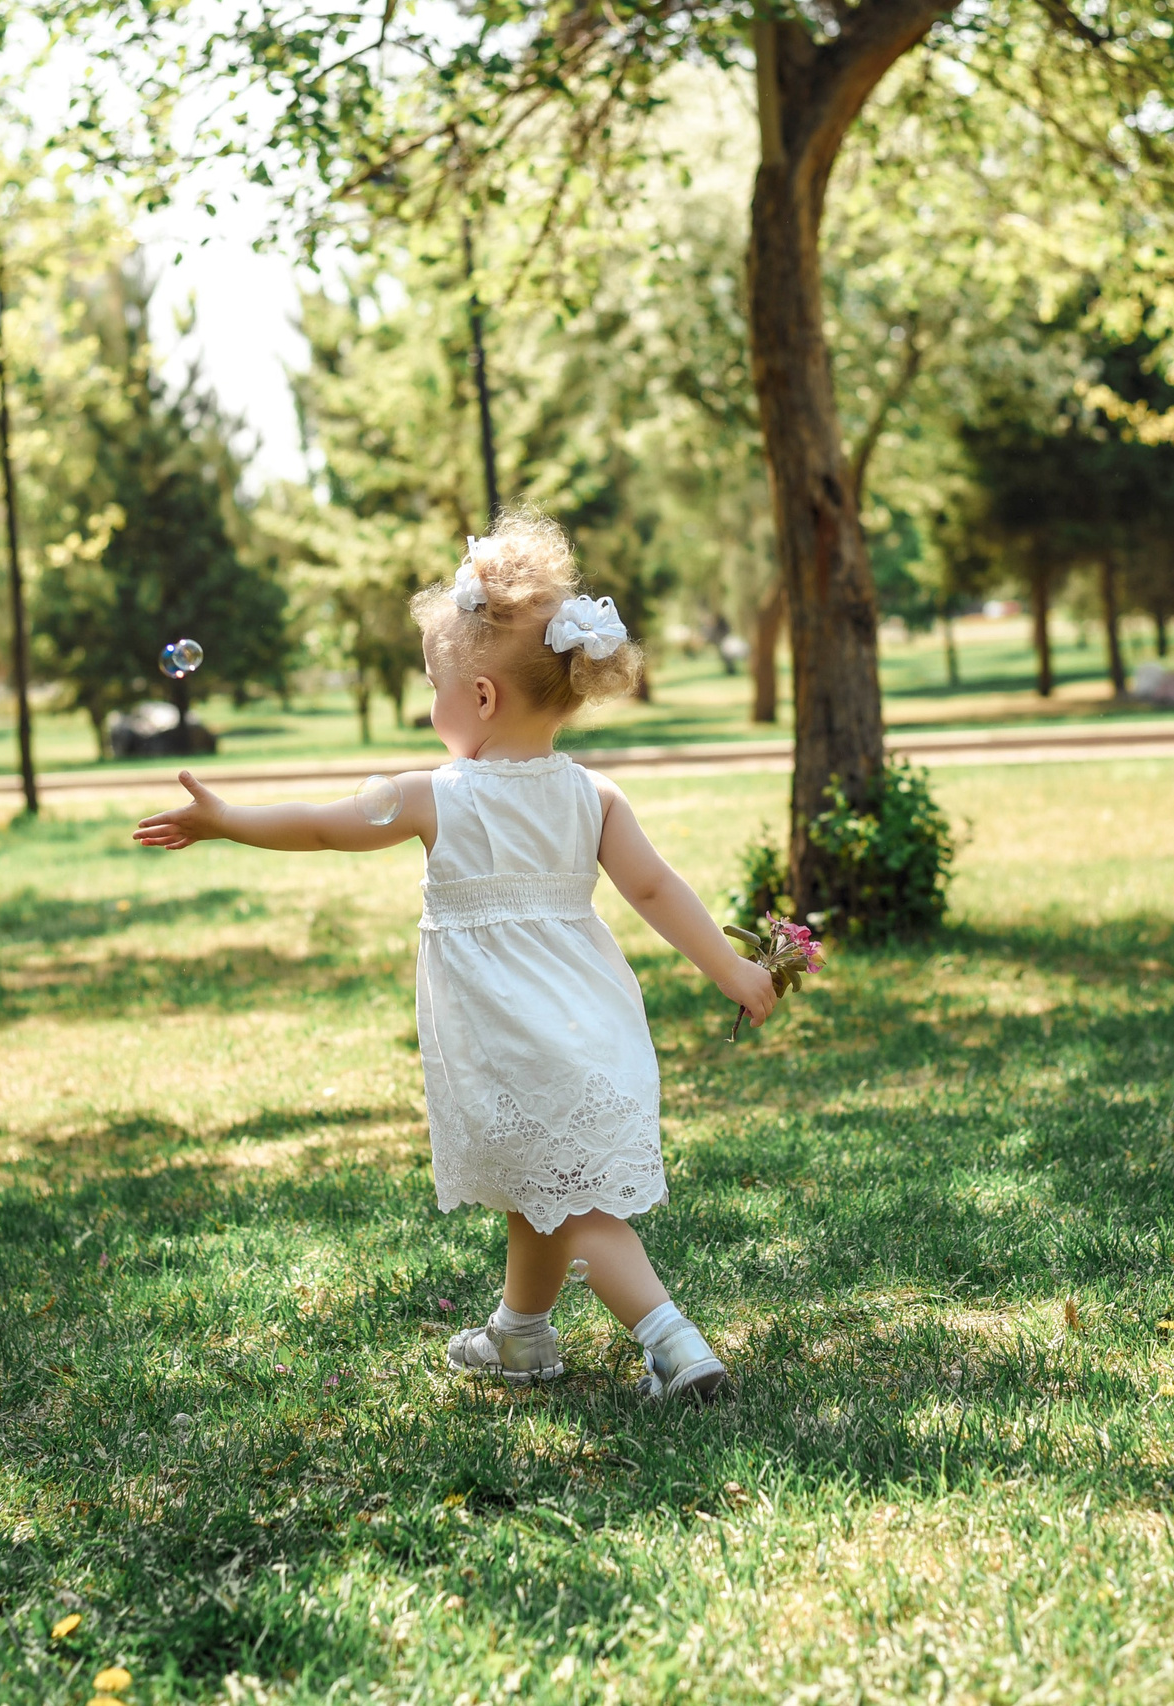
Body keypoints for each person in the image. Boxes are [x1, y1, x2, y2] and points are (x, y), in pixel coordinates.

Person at [136, 513, 777, 1401]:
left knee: (582, 1209)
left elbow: (324, 828)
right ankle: (520, 1336)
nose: (430, 703)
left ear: (479, 698)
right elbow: (659, 892)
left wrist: (226, 819)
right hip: (590, 1027)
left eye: (434, 684)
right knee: (541, 1187)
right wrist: (734, 969)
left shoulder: (435, 797)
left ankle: (677, 1347)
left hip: (510, 1039)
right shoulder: (595, 796)